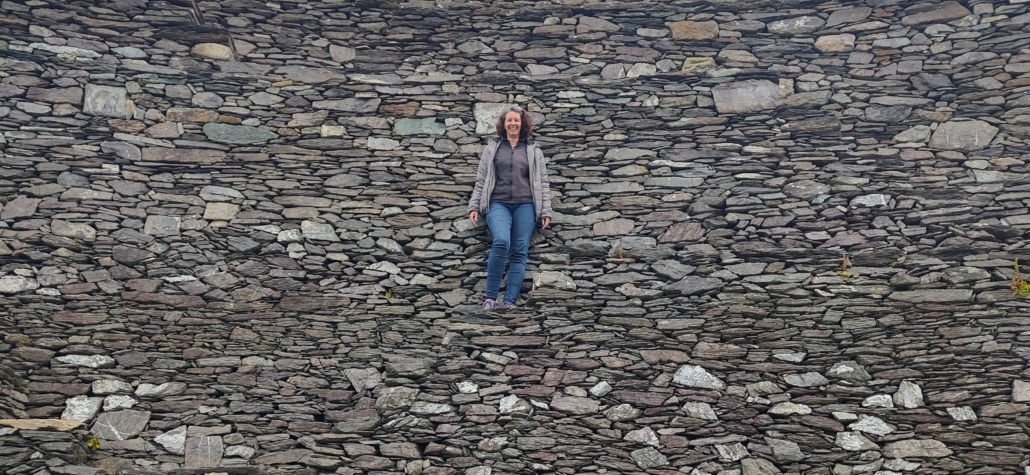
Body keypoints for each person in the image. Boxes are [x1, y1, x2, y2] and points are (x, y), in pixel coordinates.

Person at [467, 106, 553, 310]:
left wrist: (546, 211)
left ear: (523, 124)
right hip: (498, 203)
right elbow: (481, 180)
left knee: (519, 251)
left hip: (526, 205)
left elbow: (543, 182)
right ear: (503, 124)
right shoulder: (492, 149)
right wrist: (474, 205)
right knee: (501, 241)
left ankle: (509, 301)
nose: (513, 123)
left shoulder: (534, 151)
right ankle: (490, 298)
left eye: (517, 120)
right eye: (509, 120)